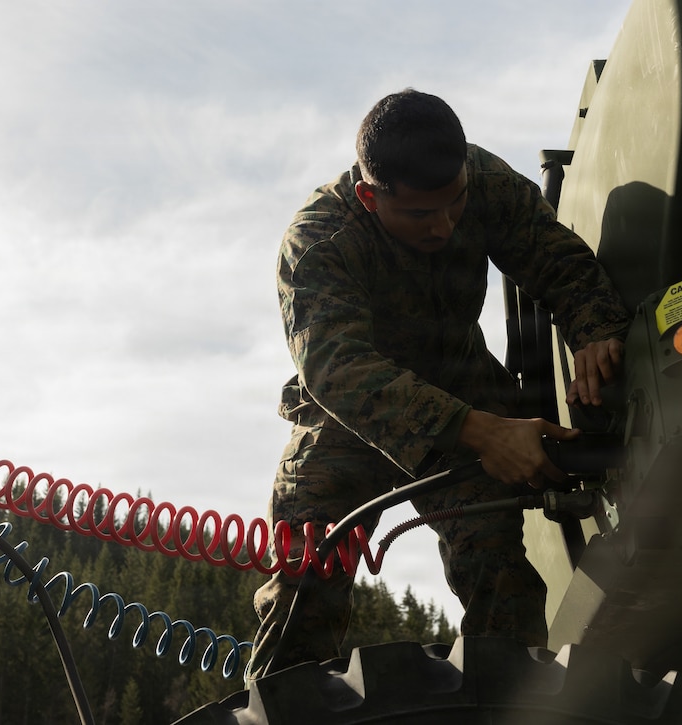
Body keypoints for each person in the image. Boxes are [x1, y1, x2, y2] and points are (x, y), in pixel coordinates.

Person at [247, 89, 631, 680]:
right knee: (303, 600)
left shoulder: (480, 178)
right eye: (422, 216)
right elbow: (336, 368)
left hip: (464, 389)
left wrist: (595, 331)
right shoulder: (321, 240)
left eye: (454, 206)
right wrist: (480, 432)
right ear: (369, 197)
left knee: (503, 588)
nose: (445, 226)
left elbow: (559, 260)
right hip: (348, 422)